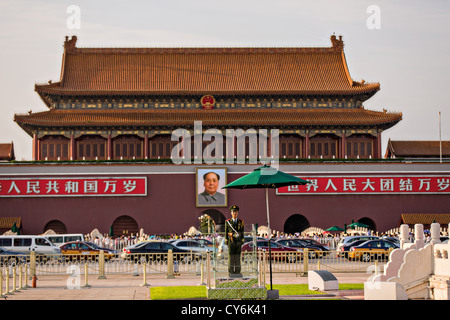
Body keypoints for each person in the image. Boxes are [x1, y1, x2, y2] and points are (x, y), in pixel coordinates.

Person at [224, 205, 245, 278]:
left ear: (238, 213)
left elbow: (242, 232)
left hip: (238, 242)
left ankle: (237, 271)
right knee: (231, 257)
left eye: (236, 212)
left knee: (237, 257)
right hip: (231, 242)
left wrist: (242, 240)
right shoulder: (228, 222)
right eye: (233, 212)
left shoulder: (241, 222)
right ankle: (231, 271)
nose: (234, 213)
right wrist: (226, 241)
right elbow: (226, 232)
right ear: (231, 213)